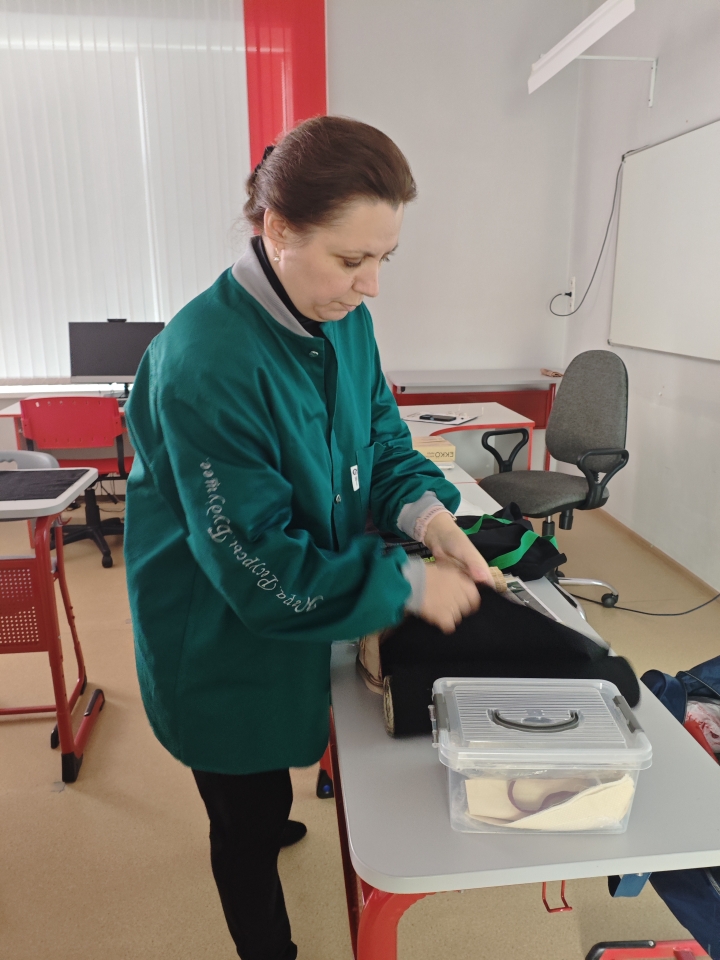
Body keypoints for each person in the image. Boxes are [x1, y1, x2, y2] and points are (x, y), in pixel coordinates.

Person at [124, 115, 493, 960]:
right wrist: (407, 585)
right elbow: (258, 566)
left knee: (288, 756)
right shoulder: (205, 363)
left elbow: (380, 435)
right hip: (214, 631)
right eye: (353, 258)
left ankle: (270, 809)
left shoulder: (338, 313)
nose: (372, 286)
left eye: (385, 258)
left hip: (307, 592)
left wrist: (433, 521)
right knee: (243, 818)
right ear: (278, 229)